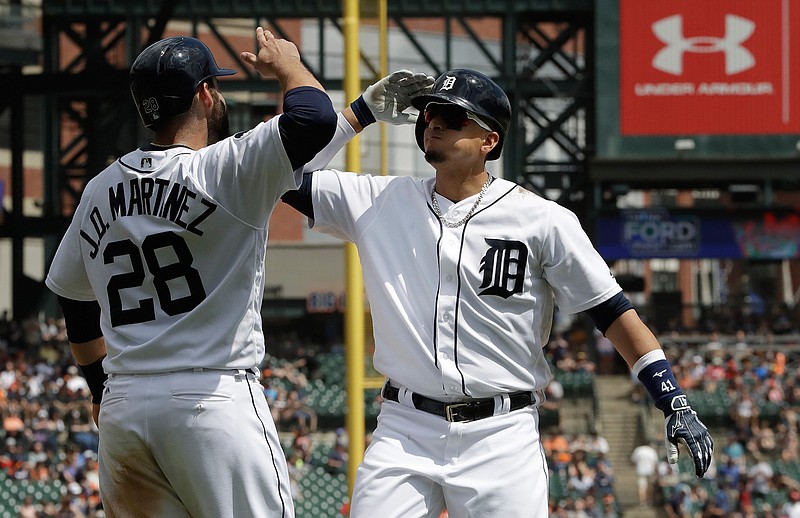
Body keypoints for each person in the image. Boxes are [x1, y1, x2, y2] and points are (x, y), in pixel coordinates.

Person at [281, 68, 713, 516]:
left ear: (489, 141)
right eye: (431, 112)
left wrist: (672, 399)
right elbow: (281, 172)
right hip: (404, 429)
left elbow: (614, 314)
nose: (435, 122)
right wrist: (360, 114)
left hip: (502, 436)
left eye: (453, 116)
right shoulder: (378, 201)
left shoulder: (543, 220)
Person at [44, 29, 337, 518]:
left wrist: (100, 390)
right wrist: (287, 64)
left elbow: (73, 300)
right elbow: (315, 117)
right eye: (214, 86)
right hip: (210, 399)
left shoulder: (100, 187)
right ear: (204, 94)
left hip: (126, 407)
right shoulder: (225, 168)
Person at [631, 442, 660, 506]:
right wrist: (656, 472)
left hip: (641, 471)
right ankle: (649, 500)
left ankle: (642, 502)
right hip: (650, 471)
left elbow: (633, 460)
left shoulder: (638, 450)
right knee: (650, 487)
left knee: (641, 487)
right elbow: (655, 463)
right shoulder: (652, 451)